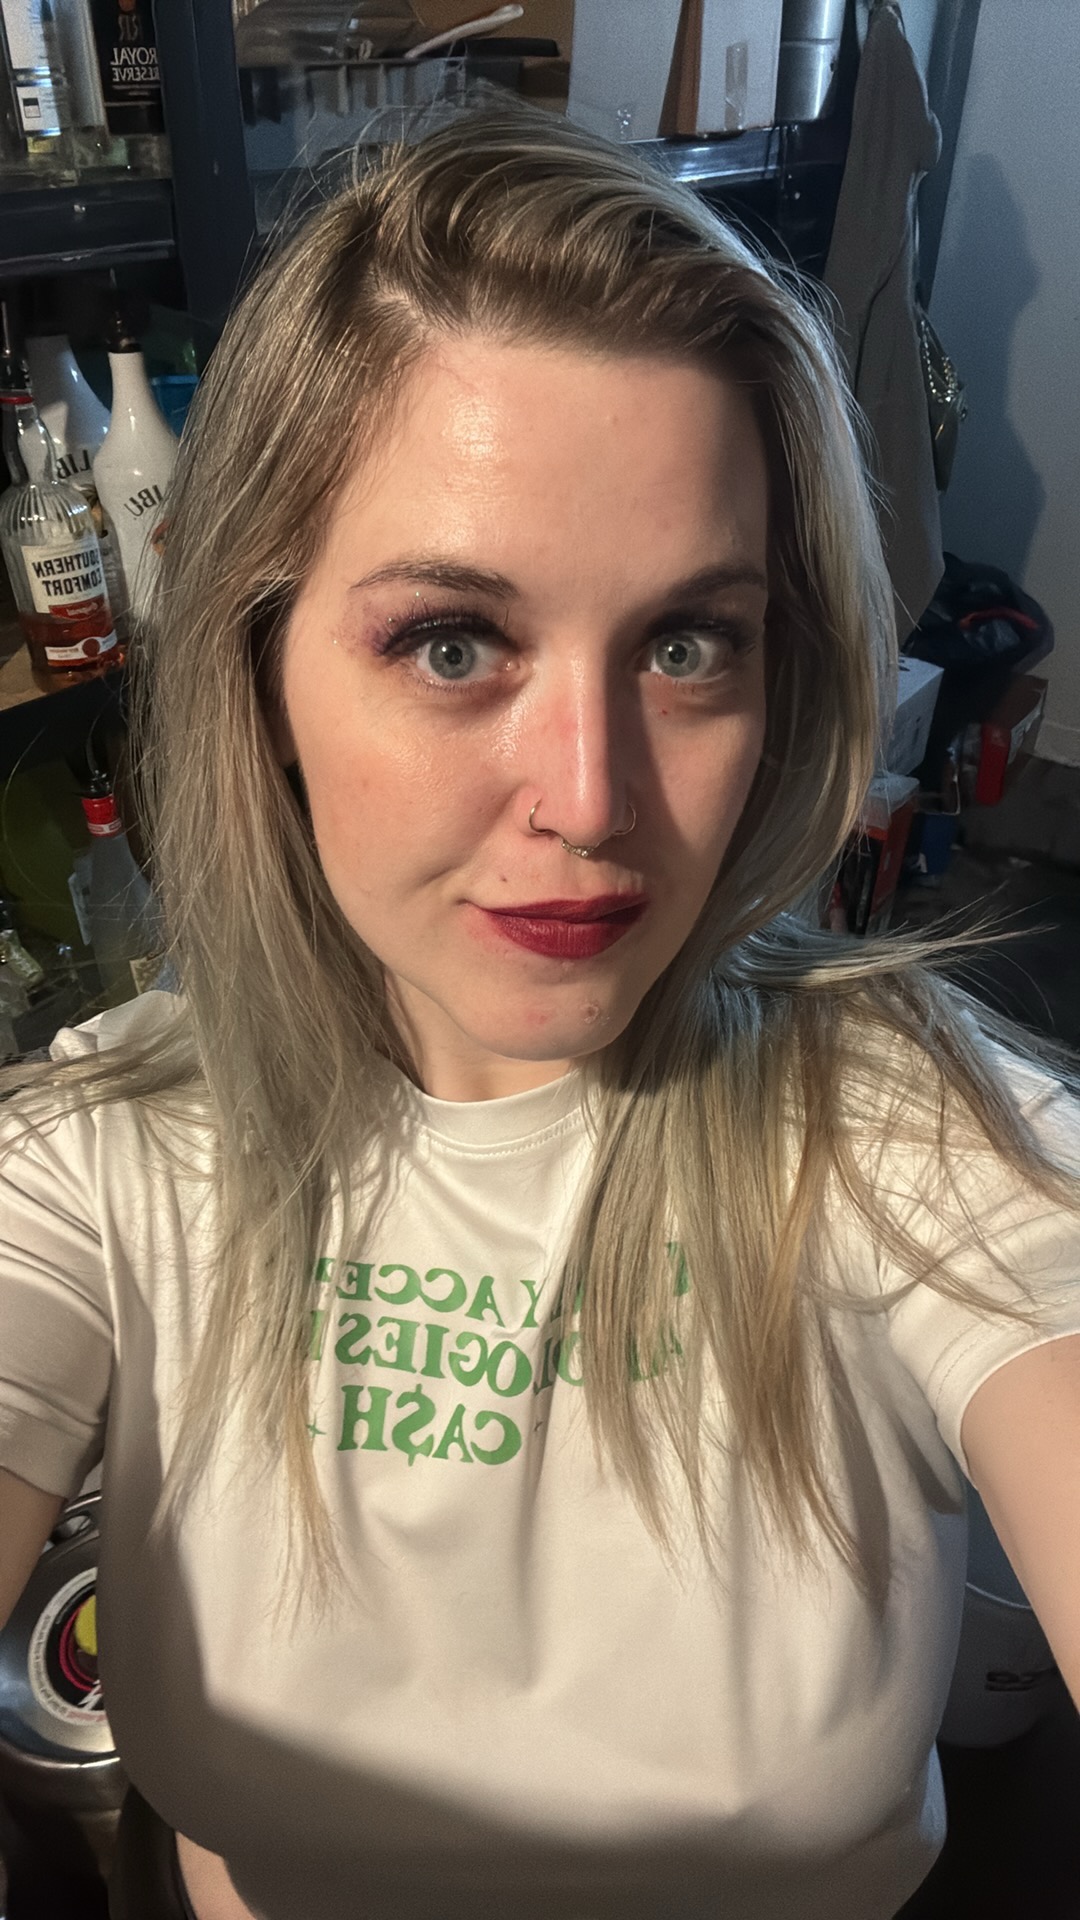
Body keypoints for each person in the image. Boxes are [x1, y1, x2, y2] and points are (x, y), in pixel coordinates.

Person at [1, 107, 1078, 1920]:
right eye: (453, 643)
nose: (590, 800)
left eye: (686, 645)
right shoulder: (94, 1171)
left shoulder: (908, 1138)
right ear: (262, 671)